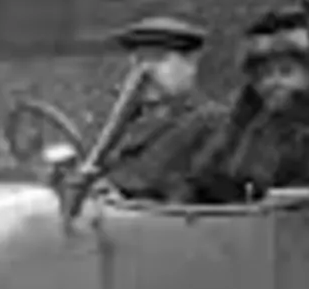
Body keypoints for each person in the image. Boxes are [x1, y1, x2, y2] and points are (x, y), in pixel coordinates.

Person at [188, 0, 309, 204]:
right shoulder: (237, 135)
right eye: (263, 74)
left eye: (286, 71)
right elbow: (202, 184)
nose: (273, 82)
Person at [98, 15, 229, 202]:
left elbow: (157, 186)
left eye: (158, 59)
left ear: (191, 63)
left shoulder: (212, 121)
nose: (145, 71)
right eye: (138, 61)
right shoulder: (122, 125)